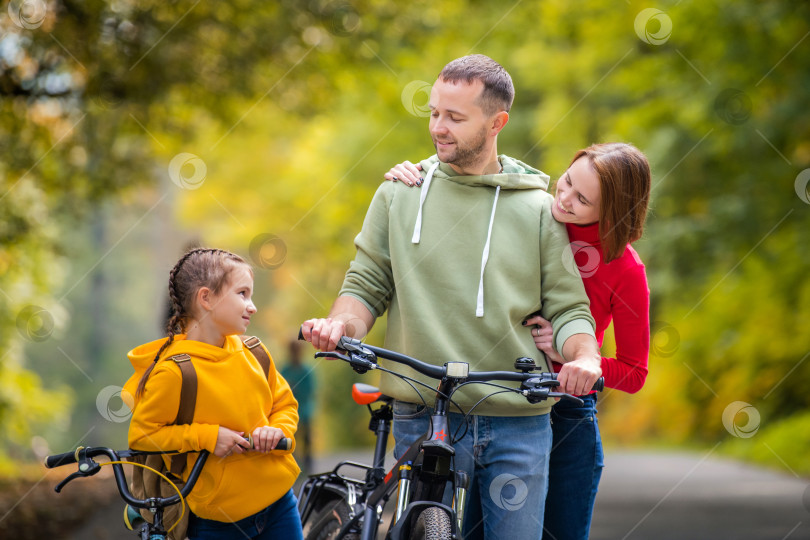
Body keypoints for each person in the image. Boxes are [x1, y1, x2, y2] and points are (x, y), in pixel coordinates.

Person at [301, 54, 602, 540]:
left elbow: (569, 309)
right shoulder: (399, 195)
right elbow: (365, 286)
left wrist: (585, 356)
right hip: (422, 413)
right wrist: (341, 326)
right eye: (434, 112)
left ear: (496, 122)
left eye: (455, 118)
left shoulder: (540, 209)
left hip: (518, 421)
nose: (438, 127)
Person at [387, 142, 652, 540]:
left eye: (582, 199)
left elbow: (634, 372)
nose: (563, 199)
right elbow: (466, 190)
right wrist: (416, 174)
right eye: (565, 182)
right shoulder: (531, 214)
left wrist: (569, 361)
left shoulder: (626, 268)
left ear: (614, 211)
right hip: (496, 397)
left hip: (567, 410)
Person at [124, 247, 303, 540]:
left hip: (279, 504)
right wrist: (207, 437)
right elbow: (142, 437)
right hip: (216, 520)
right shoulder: (174, 373)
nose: (252, 305)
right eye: (242, 294)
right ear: (206, 298)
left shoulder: (254, 352)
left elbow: (284, 404)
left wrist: (276, 429)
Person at [280, 338, 315, 472]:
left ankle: (308, 467)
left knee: (307, 440)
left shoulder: (306, 370)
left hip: (305, 412)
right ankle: (293, 466)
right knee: (290, 440)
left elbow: (310, 390)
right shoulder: (285, 369)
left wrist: (294, 387)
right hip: (289, 412)